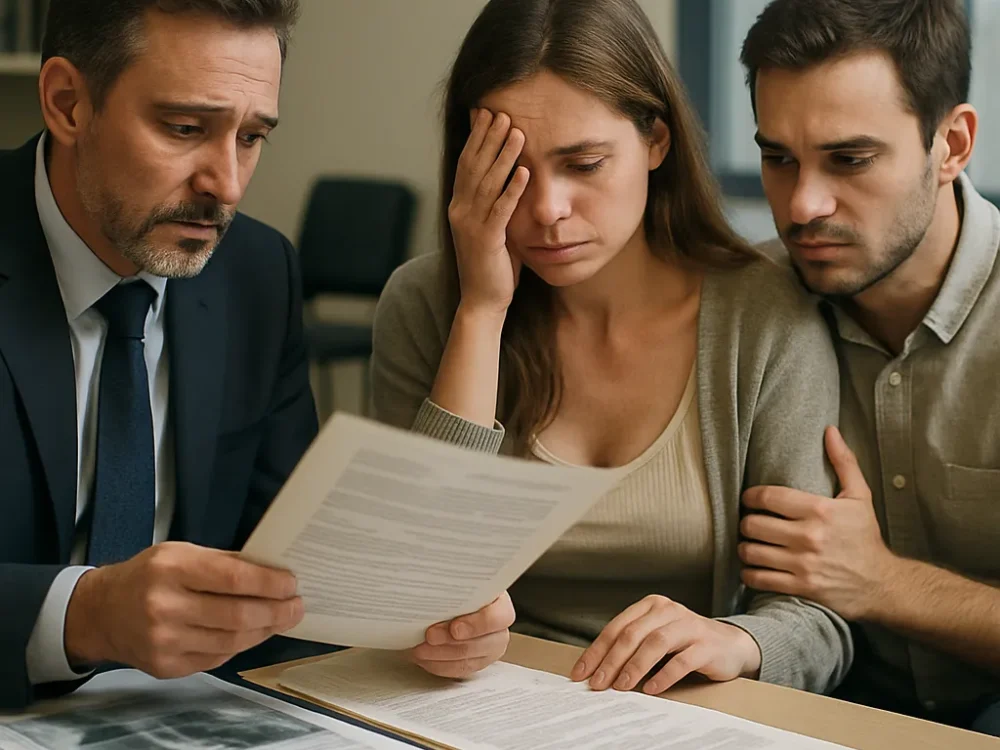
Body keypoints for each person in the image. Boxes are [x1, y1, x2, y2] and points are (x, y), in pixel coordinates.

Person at [0, 0, 512, 711]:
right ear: (67, 103)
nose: (228, 186)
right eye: (185, 129)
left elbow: (292, 556)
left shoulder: (257, 271)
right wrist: (85, 615)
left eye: (251, 137)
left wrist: (423, 616)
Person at [371, 0, 853, 698]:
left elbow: (822, 619)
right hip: (469, 704)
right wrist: (482, 311)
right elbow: (406, 572)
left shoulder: (766, 316)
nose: (547, 211)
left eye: (585, 164)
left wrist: (738, 639)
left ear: (656, 139)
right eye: (512, 172)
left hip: (676, 715)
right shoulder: (424, 305)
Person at [735, 0, 1000, 736]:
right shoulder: (746, 309)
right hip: (813, 703)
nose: (803, 205)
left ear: (951, 143)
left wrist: (883, 583)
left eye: (850, 160)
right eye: (778, 158)